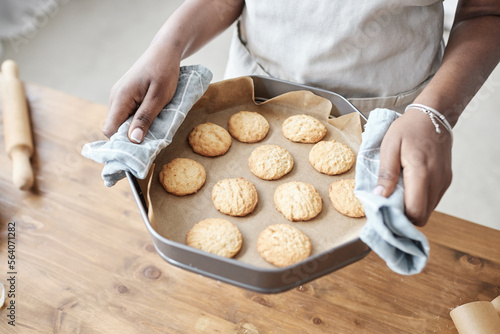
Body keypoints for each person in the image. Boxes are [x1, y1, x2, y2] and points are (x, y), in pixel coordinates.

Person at [102, 0, 500, 227]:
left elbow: (485, 12)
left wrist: (436, 112)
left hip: (388, 111)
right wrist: (168, 46)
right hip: (252, 90)